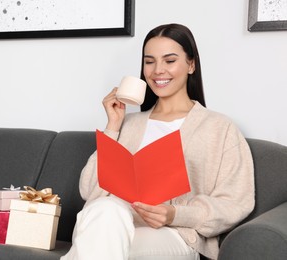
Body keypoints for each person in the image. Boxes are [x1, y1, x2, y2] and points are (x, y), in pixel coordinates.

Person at [61, 23, 255, 260]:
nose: (157, 70)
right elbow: (89, 190)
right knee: (105, 211)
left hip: (174, 234)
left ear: (191, 65)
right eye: (149, 61)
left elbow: (236, 203)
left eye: (170, 60)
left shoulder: (219, 128)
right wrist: (112, 126)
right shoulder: (128, 123)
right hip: (114, 223)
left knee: (97, 240)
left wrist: (174, 214)